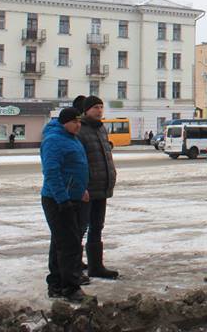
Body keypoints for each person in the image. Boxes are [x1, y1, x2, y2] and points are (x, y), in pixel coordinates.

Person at [40, 107, 90, 302]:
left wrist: (81, 190)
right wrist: (63, 200)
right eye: (74, 122)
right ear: (64, 122)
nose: (78, 126)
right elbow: (52, 173)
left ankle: (56, 284)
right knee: (69, 244)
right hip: (58, 200)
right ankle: (70, 287)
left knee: (60, 242)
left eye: (79, 122)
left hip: (72, 197)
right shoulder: (54, 140)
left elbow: (75, 168)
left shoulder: (71, 138)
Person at [74, 95, 119, 280]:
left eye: (101, 107)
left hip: (102, 186)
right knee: (80, 228)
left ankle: (96, 266)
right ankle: (74, 266)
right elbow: (78, 160)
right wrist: (80, 186)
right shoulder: (80, 130)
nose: (99, 110)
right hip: (87, 189)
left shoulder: (101, 128)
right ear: (86, 110)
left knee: (97, 227)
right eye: (95, 108)